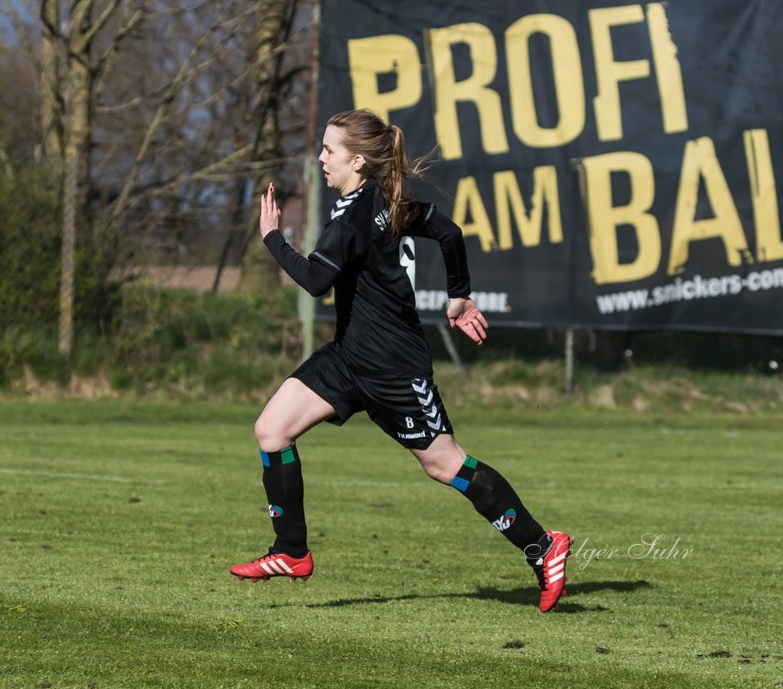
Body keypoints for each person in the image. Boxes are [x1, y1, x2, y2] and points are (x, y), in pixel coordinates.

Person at [228, 109, 572, 611]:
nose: (321, 158)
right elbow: (449, 232)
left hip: (394, 369)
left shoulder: (354, 216)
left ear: (358, 160)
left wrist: (273, 239)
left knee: (445, 465)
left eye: (329, 150)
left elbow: (317, 282)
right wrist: (459, 296)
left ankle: (543, 547)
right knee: (271, 429)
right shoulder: (379, 201)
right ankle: (291, 551)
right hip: (349, 359)